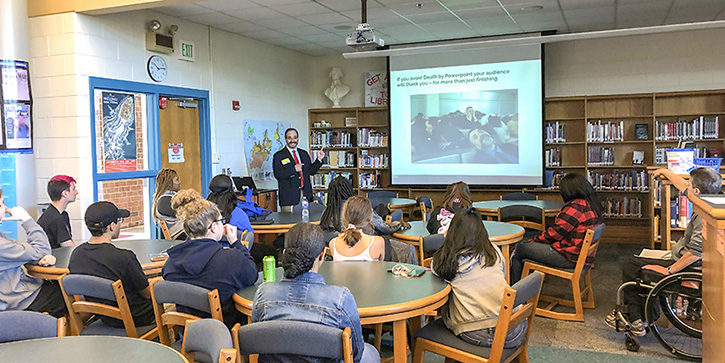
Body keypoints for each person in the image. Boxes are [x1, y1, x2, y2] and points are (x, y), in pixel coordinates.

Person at [605, 167, 721, 336]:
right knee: (639, 263)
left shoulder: (703, 217)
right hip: (685, 260)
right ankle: (644, 316)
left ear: (696, 191)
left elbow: (696, 253)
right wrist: (666, 172)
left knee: (631, 266)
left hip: (686, 266)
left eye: (689, 185)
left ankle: (635, 319)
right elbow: (683, 186)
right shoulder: (709, 202)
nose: (685, 187)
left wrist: (668, 271)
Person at [252, 223, 380, 363]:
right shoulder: (340, 299)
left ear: (284, 254)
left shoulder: (263, 294)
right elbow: (354, 353)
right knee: (370, 353)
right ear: (322, 255)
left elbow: (259, 342)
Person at [431, 208, 527, 349]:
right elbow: (503, 275)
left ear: (451, 232)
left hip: (481, 332)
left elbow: (436, 276)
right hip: (516, 326)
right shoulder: (493, 251)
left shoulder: (447, 260)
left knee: (448, 309)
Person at [162, 189, 257, 328]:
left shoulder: (171, 263)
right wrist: (236, 243)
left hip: (187, 333)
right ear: (213, 227)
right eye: (220, 221)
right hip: (224, 332)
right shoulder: (230, 259)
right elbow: (252, 274)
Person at [68, 201, 155, 327]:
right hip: (136, 318)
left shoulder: (76, 255)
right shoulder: (124, 257)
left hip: (104, 317)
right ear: (111, 226)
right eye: (119, 220)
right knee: (170, 302)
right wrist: (159, 281)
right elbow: (147, 293)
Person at [510, 173, 603, 283]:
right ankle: (525, 288)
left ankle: (514, 291)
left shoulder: (575, 207)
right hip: (582, 257)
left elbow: (555, 233)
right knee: (526, 251)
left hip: (569, 257)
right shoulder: (590, 204)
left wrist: (534, 240)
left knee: (519, 249)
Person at [0, 188, 66, 317]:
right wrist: (27, 220)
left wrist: (37, 257)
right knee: (72, 294)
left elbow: (20, 251)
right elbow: (41, 249)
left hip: (12, 299)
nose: (5, 207)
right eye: (1, 204)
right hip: (21, 302)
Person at [206, 174, 278, 264]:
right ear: (231, 192)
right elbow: (248, 241)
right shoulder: (237, 213)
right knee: (270, 251)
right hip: (233, 256)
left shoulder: (205, 213)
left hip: (209, 256)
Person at [273, 128, 325, 212]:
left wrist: (319, 160)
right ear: (285, 139)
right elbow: (278, 174)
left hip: (306, 195)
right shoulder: (279, 155)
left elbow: (311, 171)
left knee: (306, 222)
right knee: (290, 223)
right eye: (290, 138)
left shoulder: (303, 153)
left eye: (294, 137)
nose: (292, 140)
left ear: (297, 139)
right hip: (289, 198)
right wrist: (294, 169)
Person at [329, 196, 385, 261]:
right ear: (369, 218)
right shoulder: (378, 242)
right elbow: (380, 268)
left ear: (344, 216)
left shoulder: (333, 243)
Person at [37, 175, 78, 248]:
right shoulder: (55, 218)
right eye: (74, 189)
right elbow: (68, 246)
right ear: (65, 193)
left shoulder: (62, 214)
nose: (76, 192)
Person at [153, 168, 185, 240]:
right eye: (177, 180)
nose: (179, 182)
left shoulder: (169, 197)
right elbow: (186, 213)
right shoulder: (164, 201)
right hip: (180, 235)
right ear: (169, 183)